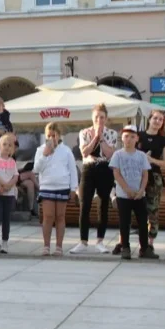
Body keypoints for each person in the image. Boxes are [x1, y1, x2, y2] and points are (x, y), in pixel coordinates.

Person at [71, 103, 117, 255]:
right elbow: (85, 152)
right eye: (96, 117)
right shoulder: (84, 132)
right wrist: (95, 136)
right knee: (85, 203)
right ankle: (83, 241)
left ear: (106, 118)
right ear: (92, 118)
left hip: (104, 168)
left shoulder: (112, 134)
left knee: (103, 204)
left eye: (102, 117)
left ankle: (100, 241)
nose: (99, 120)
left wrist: (102, 138)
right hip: (89, 168)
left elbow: (110, 154)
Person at [34, 122, 79, 257]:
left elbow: (72, 170)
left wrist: (73, 188)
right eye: (49, 135)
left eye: (54, 135)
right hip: (47, 186)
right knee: (48, 216)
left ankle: (59, 246)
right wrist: (45, 155)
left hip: (62, 186)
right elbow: (36, 169)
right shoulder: (40, 149)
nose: (52, 138)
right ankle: (46, 246)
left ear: (59, 135)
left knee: (60, 217)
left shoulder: (66, 150)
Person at [110, 125, 153, 260]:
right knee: (124, 222)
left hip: (139, 195)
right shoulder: (118, 155)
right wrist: (126, 189)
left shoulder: (141, 156)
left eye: (132, 137)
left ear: (137, 139)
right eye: (126, 136)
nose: (129, 139)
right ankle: (125, 247)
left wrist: (141, 190)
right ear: (122, 138)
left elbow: (145, 174)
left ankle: (144, 248)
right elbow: (116, 173)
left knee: (142, 222)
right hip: (123, 195)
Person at [137, 110, 165, 246]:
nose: (157, 121)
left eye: (161, 120)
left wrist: (150, 159)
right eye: (155, 118)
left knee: (153, 209)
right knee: (135, 209)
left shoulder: (164, 140)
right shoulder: (139, 136)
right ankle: (124, 241)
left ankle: (150, 243)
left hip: (154, 177)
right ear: (149, 119)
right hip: (137, 176)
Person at [0, 133, 19, 254]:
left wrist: (8, 186)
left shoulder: (12, 161)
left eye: (9, 145)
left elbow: (15, 176)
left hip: (9, 194)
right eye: (4, 144)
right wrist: (2, 184)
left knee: (6, 219)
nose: (6, 147)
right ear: (0, 145)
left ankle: (5, 242)